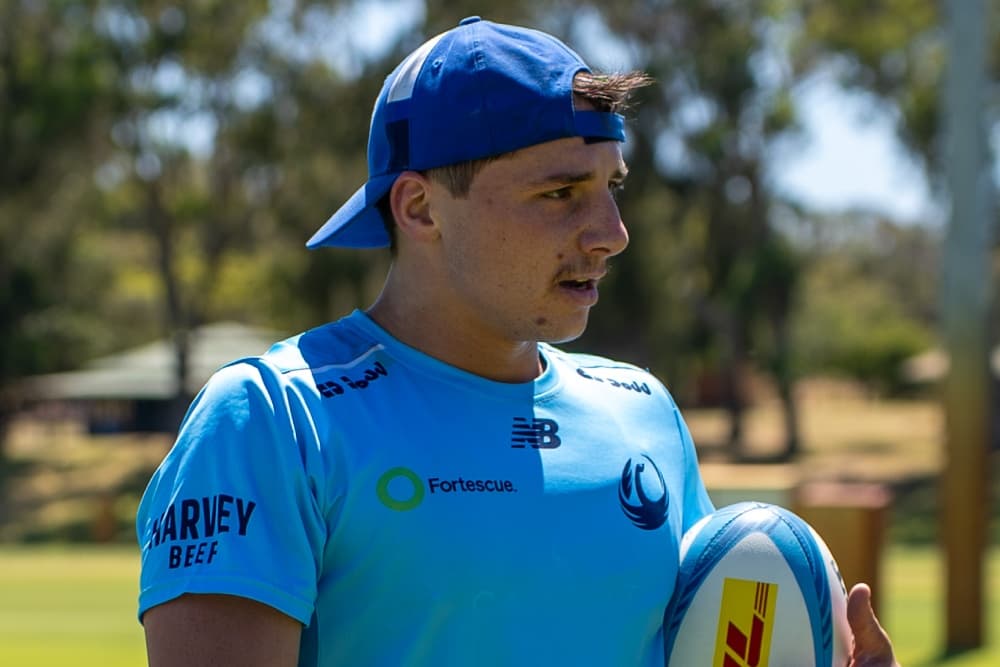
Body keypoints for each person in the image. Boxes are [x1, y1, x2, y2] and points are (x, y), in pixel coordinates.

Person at [136, 16, 900, 667]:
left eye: (613, 187)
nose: (612, 234)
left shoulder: (643, 412)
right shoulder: (271, 418)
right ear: (421, 207)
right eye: (560, 193)